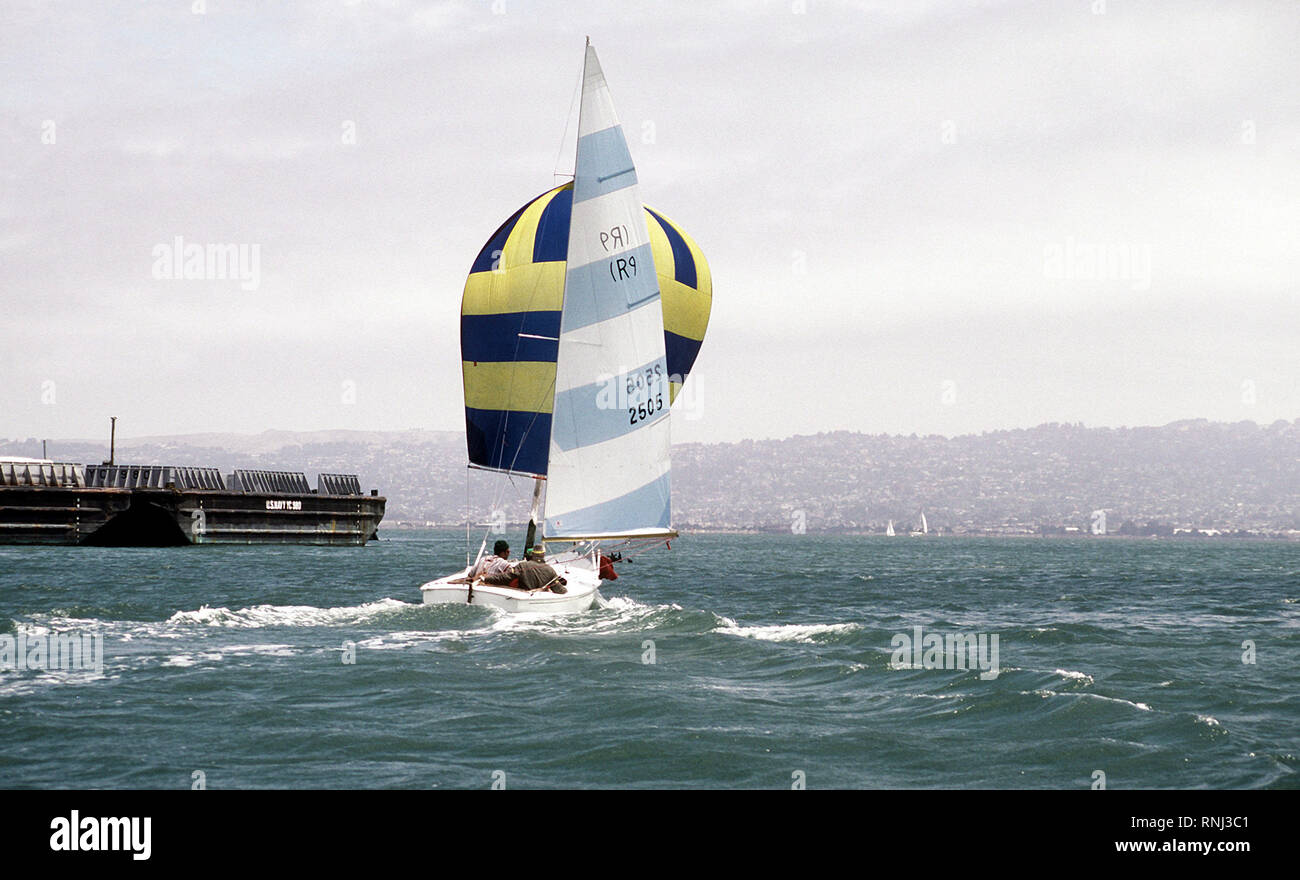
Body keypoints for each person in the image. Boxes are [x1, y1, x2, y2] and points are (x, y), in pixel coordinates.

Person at [479, 556, 568, 594]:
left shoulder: (522, 566)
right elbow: (561, 591)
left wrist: (485, 579)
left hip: (519, 597)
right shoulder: (550, 570)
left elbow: (505, 577)